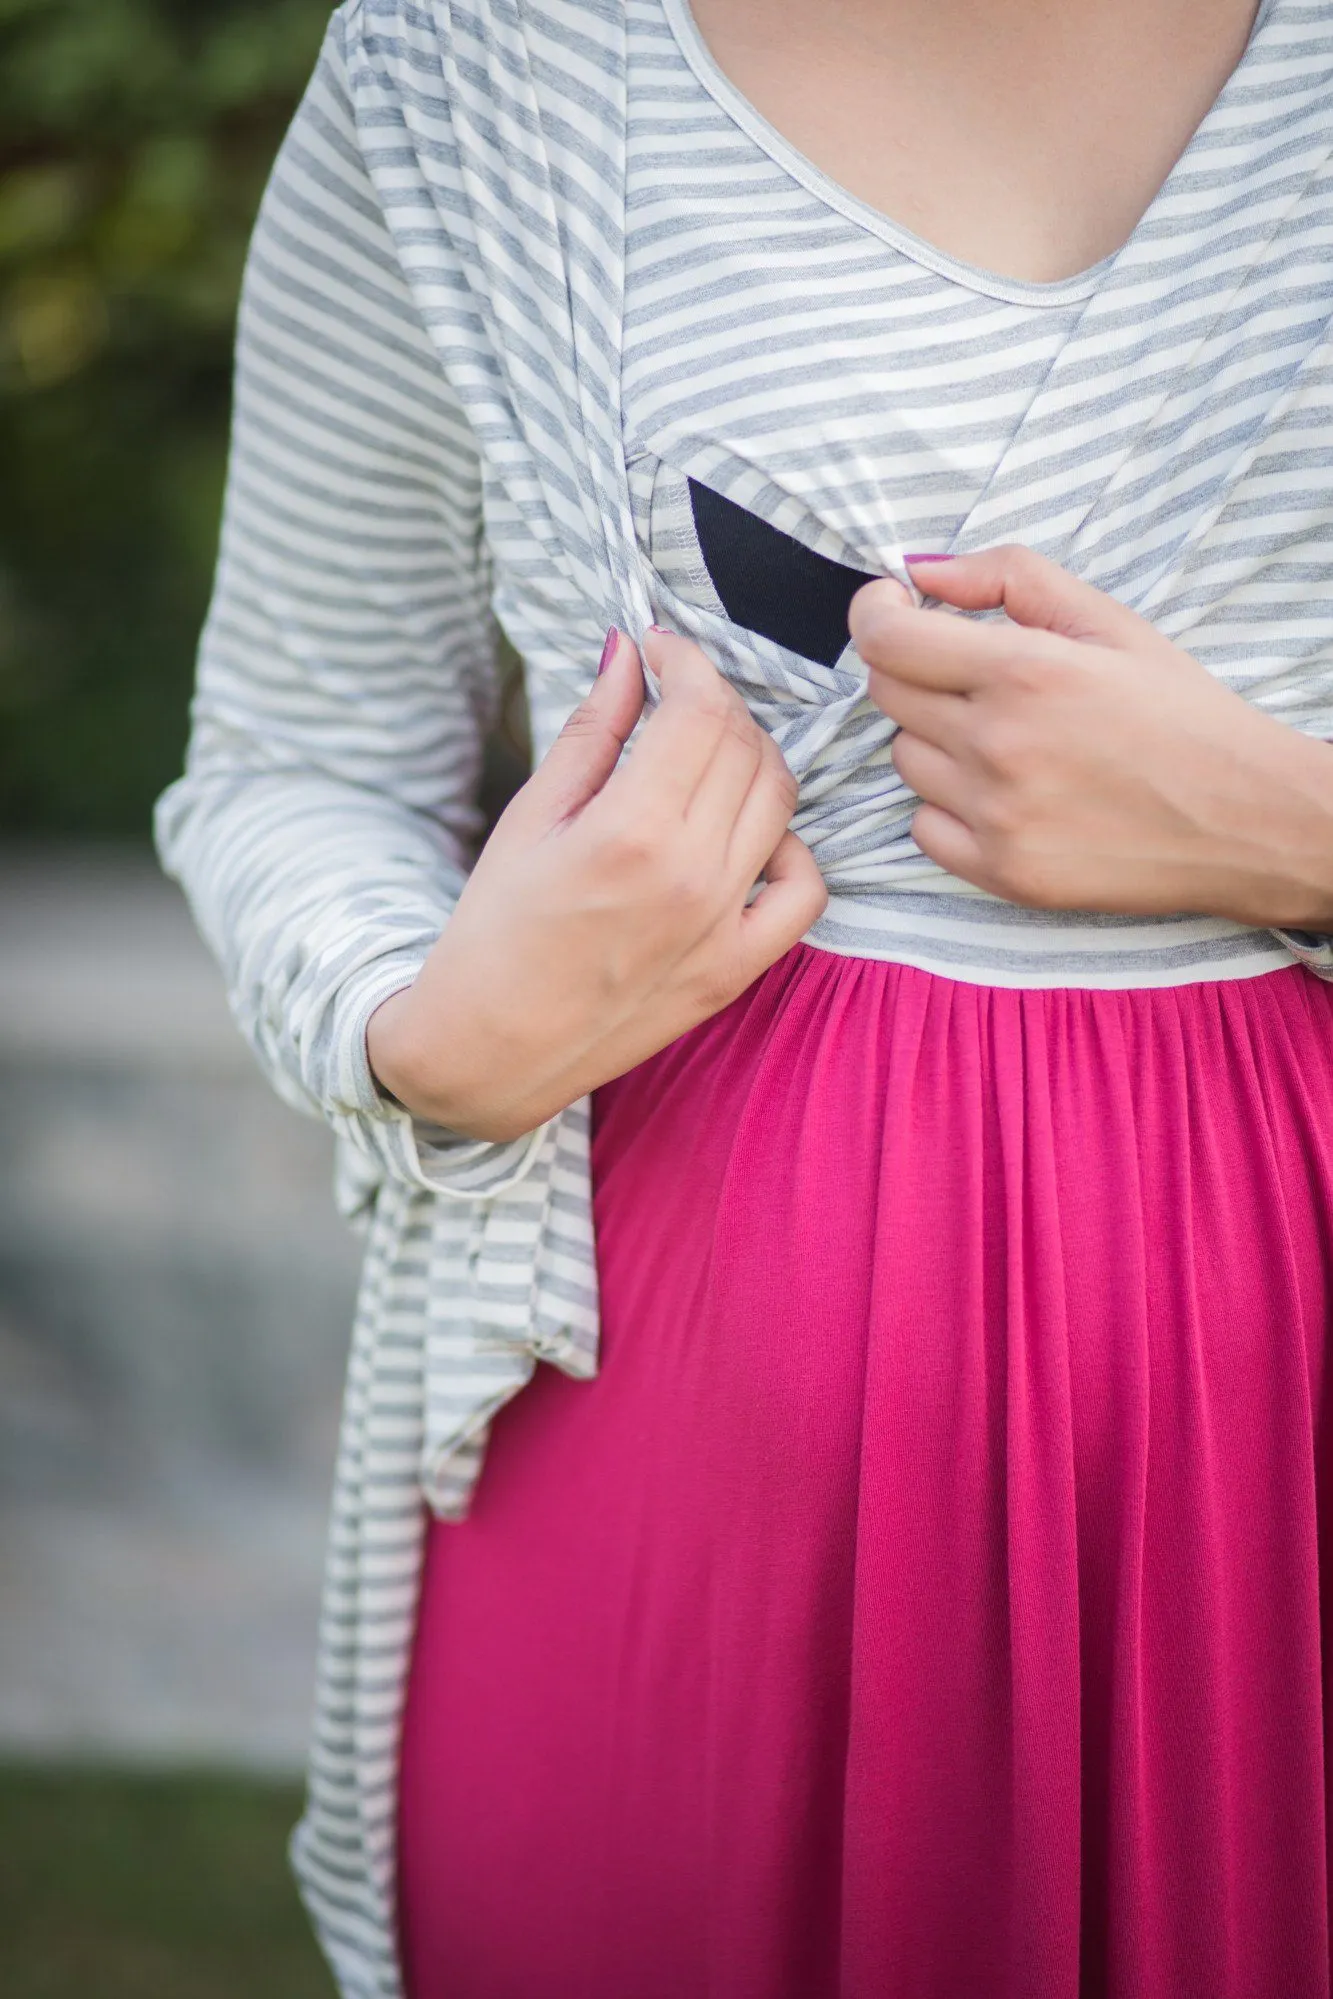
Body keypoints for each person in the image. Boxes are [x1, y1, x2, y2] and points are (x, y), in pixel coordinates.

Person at [157, 0, 1333, 1992]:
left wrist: (1288, 824)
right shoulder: (483, 69)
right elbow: (296, 755)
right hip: (659, 1464)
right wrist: (424, 1031)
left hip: (1273, 1493)